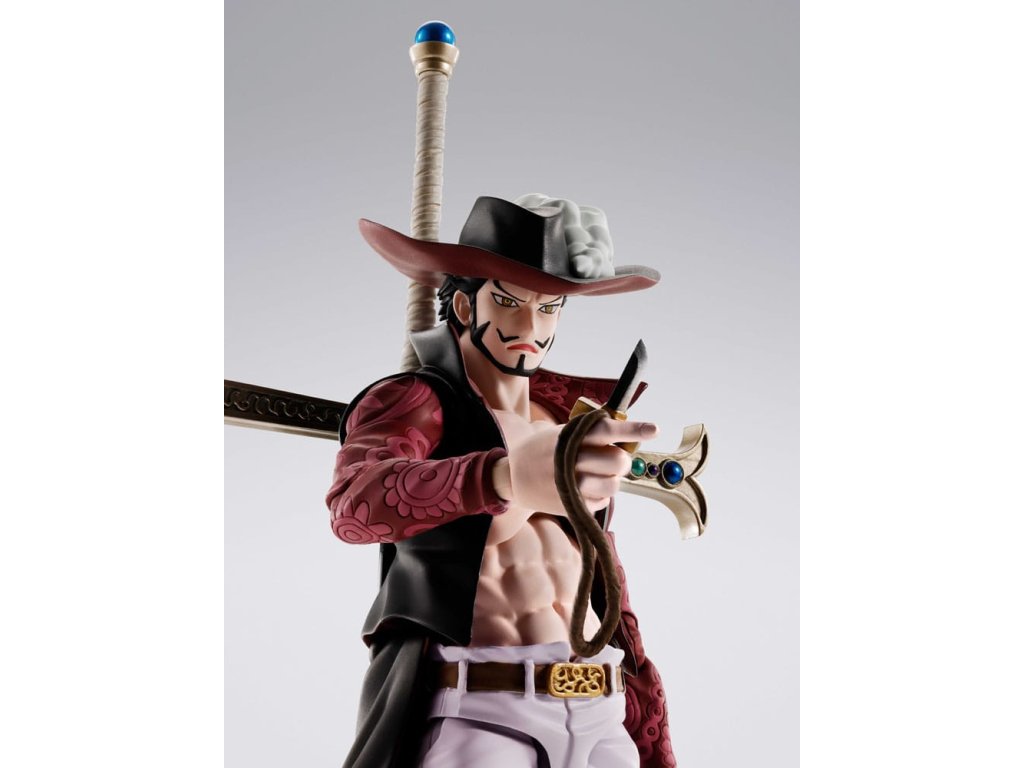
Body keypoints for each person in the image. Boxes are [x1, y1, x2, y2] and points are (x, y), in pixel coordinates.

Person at [326, 194, 677, 768]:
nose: (530, 326)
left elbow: (603, 573)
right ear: (465, 305)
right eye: (509, 302)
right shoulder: (419, 403)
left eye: (549, 307)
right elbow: (354, 506)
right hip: (484, 710)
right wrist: (501, 477)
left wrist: (643, 704)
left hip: (600, 704)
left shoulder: (568, 421)